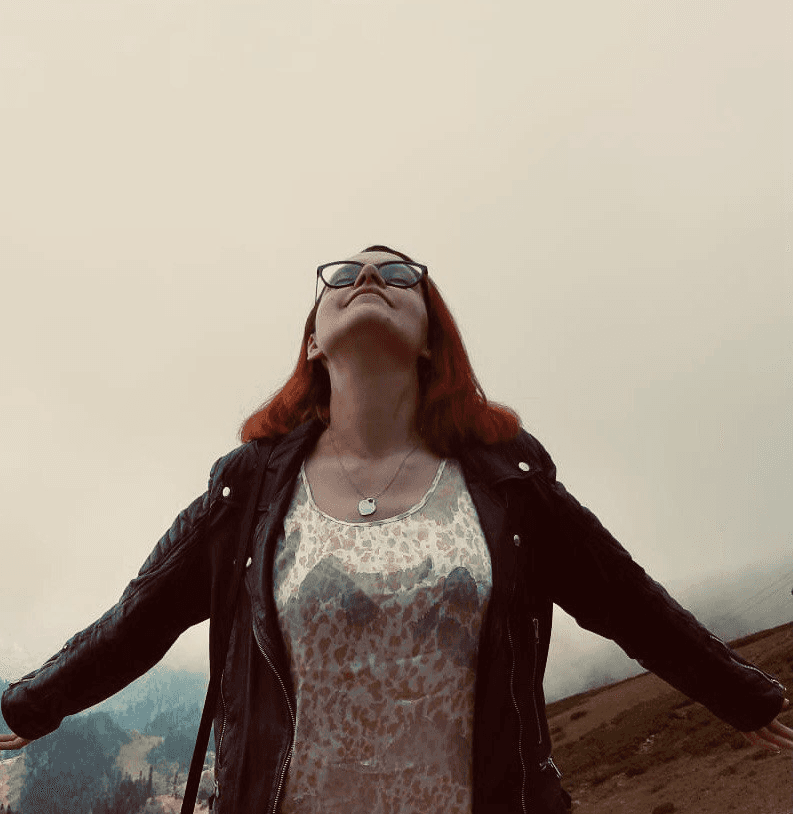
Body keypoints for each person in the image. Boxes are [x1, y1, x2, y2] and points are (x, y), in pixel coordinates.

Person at [1, 245, 790, 814]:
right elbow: (139, 616)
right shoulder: (249, 487)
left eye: (399, 275)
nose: (370, 278)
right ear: (313, 338)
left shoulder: (508, 480)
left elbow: (627, 600)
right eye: (343, 275)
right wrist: (28, 704)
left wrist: (743, 695)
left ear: (430, 338)